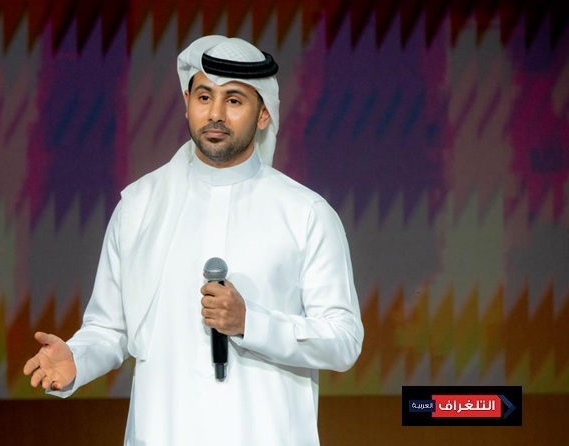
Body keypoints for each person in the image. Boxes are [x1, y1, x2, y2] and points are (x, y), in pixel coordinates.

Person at [23, 35, 364, 446]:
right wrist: (77, 360)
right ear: (187, 103)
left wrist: (251, 323)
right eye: (204, 97)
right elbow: (111, 328)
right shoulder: (138, 207)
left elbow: (343, 340)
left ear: (263, 114)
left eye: (234, 100)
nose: (215, 114)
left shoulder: (305, 214)